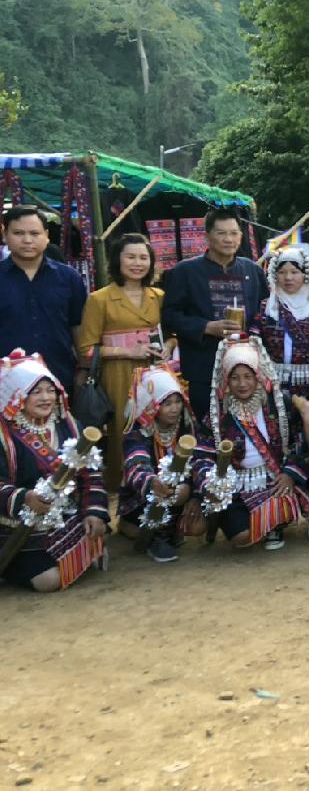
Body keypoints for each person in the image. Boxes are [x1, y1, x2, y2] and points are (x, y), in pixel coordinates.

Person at [0, 350, 107, 591]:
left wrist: (94, 511)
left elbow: (91, 473)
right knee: (49, 581)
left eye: (50, 390)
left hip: (66, 519)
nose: (46, 398)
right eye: (36, 391)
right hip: (17, 527)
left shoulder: (68, 424)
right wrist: (25, 498)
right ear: (18, 394)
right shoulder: (4, 435)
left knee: (95, 532)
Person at [198, 335, 309, 551]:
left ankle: (273, 525)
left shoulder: (278, 405)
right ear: (226, 380)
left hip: (273, 480)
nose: (242, 384)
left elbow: (300, 441)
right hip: (235, 487)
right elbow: (201, 456)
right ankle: (238, 522)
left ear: (258, 376)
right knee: (242, 537)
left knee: (283, 501)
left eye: (248, 376)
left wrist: (290, 473)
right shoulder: (217, 415)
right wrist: (211, 483)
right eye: (235, 378)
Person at [76, 233, 166, 491]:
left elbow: (171, 334)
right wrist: (127, 351)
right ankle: (122, 491)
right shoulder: (99, 299)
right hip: (118, 374)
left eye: (143, 258)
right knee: (122, 429)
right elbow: (86, 349)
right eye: (131, 257)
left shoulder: (159, 296)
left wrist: (168, 346)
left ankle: (159, 485)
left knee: (157, 425)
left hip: (154, 372)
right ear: (117, 260)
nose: (137, 263)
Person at [161, 208, 268, 417]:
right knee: (208, 426)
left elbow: (264, 314)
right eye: (221, 233)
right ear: (207, 236)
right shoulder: (184, 272)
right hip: (204, 368)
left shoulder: (252, 271)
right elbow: (169, 317)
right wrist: (206, 327)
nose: (229, 239)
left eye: (234, 233)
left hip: (247, 371)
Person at [118, 364, 211, 563]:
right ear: (152, 405)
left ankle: (167, 528)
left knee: (197, 527)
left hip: (179, 494)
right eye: (167, 403)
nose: (175, 409)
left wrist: (193, 493)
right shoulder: (138, 432)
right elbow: (136, 464)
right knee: (141, 524)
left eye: (178, 401)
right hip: (146, 497)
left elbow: (200, 460)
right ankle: (148, 532)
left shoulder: (187, 427)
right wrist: (153, 483)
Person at [0, 206, 87, 393]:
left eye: (34, 233)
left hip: (59, 378)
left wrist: (84, 368)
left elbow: (78, 326)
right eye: (18, 233)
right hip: (6, 383)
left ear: (46, 236)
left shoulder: (69, 278)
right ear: (5, 236)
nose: (27, 240)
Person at [258, 245, 309, 399]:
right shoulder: (267, 307)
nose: (288, 278)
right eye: (282, 272)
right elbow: (255, 344)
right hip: (273, 387)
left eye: (294, 272)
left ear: (305, 274)